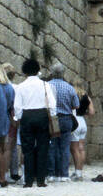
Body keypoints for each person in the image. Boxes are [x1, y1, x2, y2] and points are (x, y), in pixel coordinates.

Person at [12, 57, 57, 187]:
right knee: (43, 148)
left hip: (27, 116)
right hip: (42, 115)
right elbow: (52, 103)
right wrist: (52, 116)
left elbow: (17, 106)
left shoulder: (20, 87)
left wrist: (20, 118)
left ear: (24, 72)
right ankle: (41, 180)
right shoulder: (45, 85)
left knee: (27, 149)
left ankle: (28, 180)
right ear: (38, 70)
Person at [45, 62, 79, 182]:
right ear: (63, 73)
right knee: (65, 147)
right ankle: (64, 174)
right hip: (66, 119)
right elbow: (76, 105)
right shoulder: (69, 88)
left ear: (52, 73)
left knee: (52, 146)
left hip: (52, 119)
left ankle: (52, 173)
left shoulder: (47, 85)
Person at [70, 87, 95, 181]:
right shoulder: (86, 97)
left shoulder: (72, 94)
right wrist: (85, 113)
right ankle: (79, 171)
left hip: (75, 121)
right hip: (83, 122)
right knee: (81, 148)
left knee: (74, 149)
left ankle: (77, 173)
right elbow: (92, 112)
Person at [5, 63, 22, 181]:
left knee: (0, 146)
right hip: (13, 119)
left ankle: (2, 172)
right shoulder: (16, 87)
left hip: (0, 120)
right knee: (12, 146)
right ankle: (14, 171)